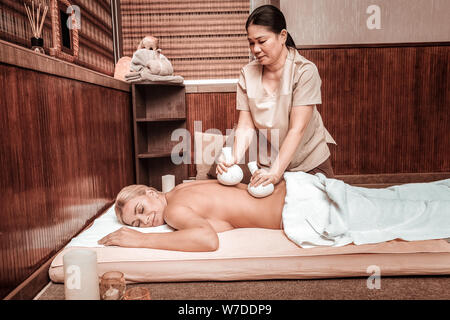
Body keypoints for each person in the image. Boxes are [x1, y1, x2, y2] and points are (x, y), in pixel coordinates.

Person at [216, 5, 336, 188]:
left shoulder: (304, 71)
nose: (255, 49)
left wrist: (275, 173)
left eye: (262, 41)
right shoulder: (247, 74)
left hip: (310, 162)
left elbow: (297, 129)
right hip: (270, 162)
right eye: (251, 42)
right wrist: (232, 158)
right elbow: (246, 126)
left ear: (282, 36)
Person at [98, 179, 286, 252]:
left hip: (291, 206)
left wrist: (141, 239)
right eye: (137, 224)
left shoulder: (173, 210)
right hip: (289, 186)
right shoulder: (182, 187)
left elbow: (208, 240)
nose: (145, 220)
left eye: (141, 210)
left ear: (151, 193)